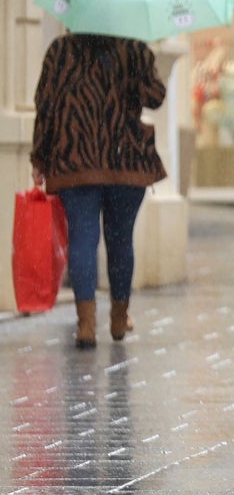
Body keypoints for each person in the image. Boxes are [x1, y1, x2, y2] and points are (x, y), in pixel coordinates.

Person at [30, 33, 168, 348]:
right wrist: (130, 72)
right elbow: (155, 96)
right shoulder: (135, 49)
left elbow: (45, 106)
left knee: (82, 237)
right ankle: (119, 317)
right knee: (120, 240)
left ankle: (86, 325)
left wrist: (40, 156)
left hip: (75, 159)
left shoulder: (61, 50)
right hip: (124, 160)